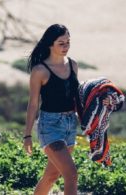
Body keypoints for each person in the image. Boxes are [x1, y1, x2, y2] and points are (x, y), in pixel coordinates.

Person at [22, 24, 79, 195]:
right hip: (50, 126)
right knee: (71, 174)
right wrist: (27, 135)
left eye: (68, 42)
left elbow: (77, 98)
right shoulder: (40, 70)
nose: (66, 47)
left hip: (70, 125)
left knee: (51, 175)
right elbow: (33, 104)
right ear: (50, 44)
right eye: (61, 43)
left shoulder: (73, 65)